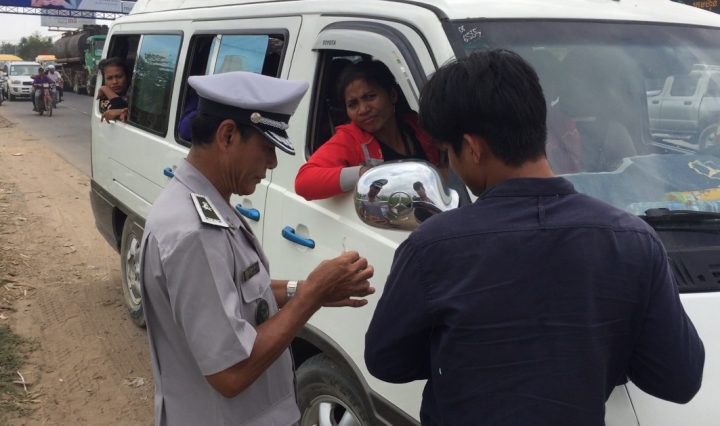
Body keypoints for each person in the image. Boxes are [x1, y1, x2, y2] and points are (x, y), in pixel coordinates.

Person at [364, 49, 705, 425]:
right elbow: (679, 380)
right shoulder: (633, 241)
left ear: (473, 148)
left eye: (448, 152)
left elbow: (387, 361)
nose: (452, 164)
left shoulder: (432, 246)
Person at [139, 71, 375, 426]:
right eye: (267, 148)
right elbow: (231, 372)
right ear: (227, 136)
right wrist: (311, 296)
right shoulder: (194, 232)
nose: (273, 163)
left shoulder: (205, 201)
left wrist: (304, 289)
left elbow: (238, 290)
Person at [294, 60, 445, 200]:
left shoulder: (417, 126)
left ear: (392, 95)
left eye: (370, 97)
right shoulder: (351, 139)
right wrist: (364, 174)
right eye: (353, 104)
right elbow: (303, 182)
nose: (363, 109)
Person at [97, 57, 130, 123]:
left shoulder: (136, 94)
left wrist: (105, 88)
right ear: (104, 80)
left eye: (119, 76)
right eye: (109, 78)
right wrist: (105, 89)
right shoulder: (104, 98)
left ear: (127, 77)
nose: (115, 82)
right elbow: (118, 106)